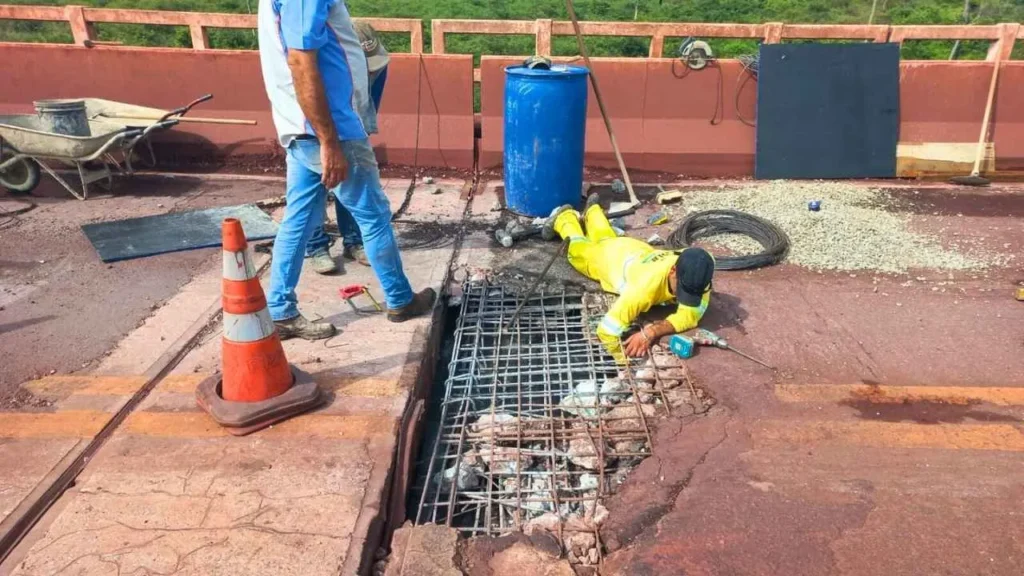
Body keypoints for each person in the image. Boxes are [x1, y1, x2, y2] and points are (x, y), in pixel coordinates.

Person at [257, 0, 435, 340]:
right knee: (373, 215)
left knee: (299, 219)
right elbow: (301, 60)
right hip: (330, 128)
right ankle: (400, 299)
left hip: (301, 127)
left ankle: (280, 310)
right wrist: (330, 141)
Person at [544, 196, 715, 362]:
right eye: (681, 289)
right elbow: (606, 331)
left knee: (606, 238)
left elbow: (690, 316)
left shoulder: (700, 264)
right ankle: (564, 217)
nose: (684, 296)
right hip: (606, 259)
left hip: (632, 248)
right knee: (577, 247)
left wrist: (651, 332)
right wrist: (623, 361)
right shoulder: (642, 290)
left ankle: (593, 211)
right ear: (672, 271)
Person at [304, 21, 389, 275]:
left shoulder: (378, 66)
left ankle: (354, 240)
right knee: (318, 182)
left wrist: (357, 137)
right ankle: (316, 246)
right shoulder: (318, 70)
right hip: (316, 128)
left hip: (350, 124)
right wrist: (328, 143)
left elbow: (369, 105)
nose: (371, 73)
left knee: (354, 178)